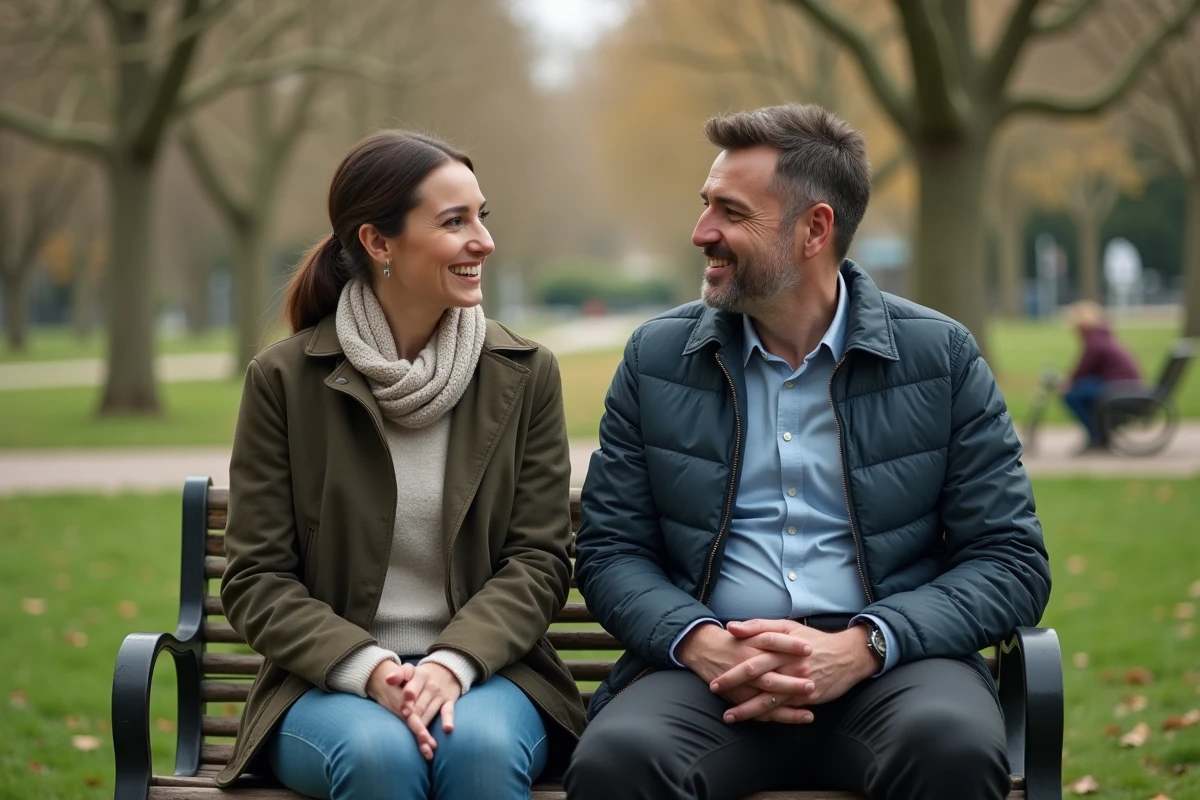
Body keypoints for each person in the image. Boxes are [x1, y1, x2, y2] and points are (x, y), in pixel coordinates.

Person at [565, 105, 1051, 800]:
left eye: (731, 212)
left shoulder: (939, 357)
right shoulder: (657, 358)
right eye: (706, 205)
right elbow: (611, 550)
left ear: (814, 230)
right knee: (619, 761)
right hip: (709, 672)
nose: (702, 232)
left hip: (893, 670)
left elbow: (1010, 560)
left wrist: (867, 644)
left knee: (950, 747)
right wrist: (701, 641)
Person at [214, 130, 586, 800]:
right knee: (380, 757)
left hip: (490, 673)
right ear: (378, 243)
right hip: (328, 681)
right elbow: (257, 579)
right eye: (454, 222)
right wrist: (368, 668)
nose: (484, 241)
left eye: (481, 216)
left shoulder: (525, 374)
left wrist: (453, 661)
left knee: (479, 751)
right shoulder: (285, 381)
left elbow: (538, 560)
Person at [1061, 300, 1142, 453]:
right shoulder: (1101, 337)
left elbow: (1083, 368)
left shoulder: (1095, 341)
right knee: (1081, 390)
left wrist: (1067, 382)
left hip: (1118, 387)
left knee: (1072, 395)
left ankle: (1096, 436)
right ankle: (1099, 434)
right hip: (1120, 384)